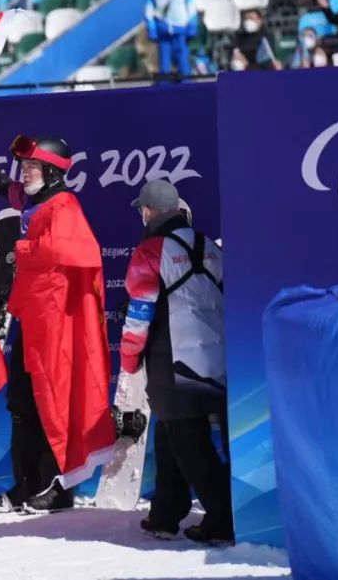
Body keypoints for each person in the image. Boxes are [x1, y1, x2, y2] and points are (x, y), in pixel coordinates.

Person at [0, 122, 114, 515]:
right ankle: (25, 484)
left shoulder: (64, 206)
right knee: (22, 403)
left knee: (51, 402)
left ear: (53, 172)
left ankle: (58, 487)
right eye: (23, 167)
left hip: (55, 325)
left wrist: (25, 249)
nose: (23, 173)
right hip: (31, 319)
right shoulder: (32, 201)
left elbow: (82, 252)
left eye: (31, 167)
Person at [122, 180, 234, 545]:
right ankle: (166, 514)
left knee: (188, 440)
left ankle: (223, 518)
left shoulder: (150, 250)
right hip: (216, 354)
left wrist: (129, 358)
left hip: (172, 357)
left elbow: (140, 313)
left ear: (148, 211)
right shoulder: (209, 246)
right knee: (170, 432)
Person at [145, 0, 197, 78]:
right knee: (164, 63)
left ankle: (186, 84)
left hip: (181, 26)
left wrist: (193, 23)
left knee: (183, 60)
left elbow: (190, 4)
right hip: (163, 28)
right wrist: (151, 27)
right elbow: (149, 7)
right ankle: (165, 86)